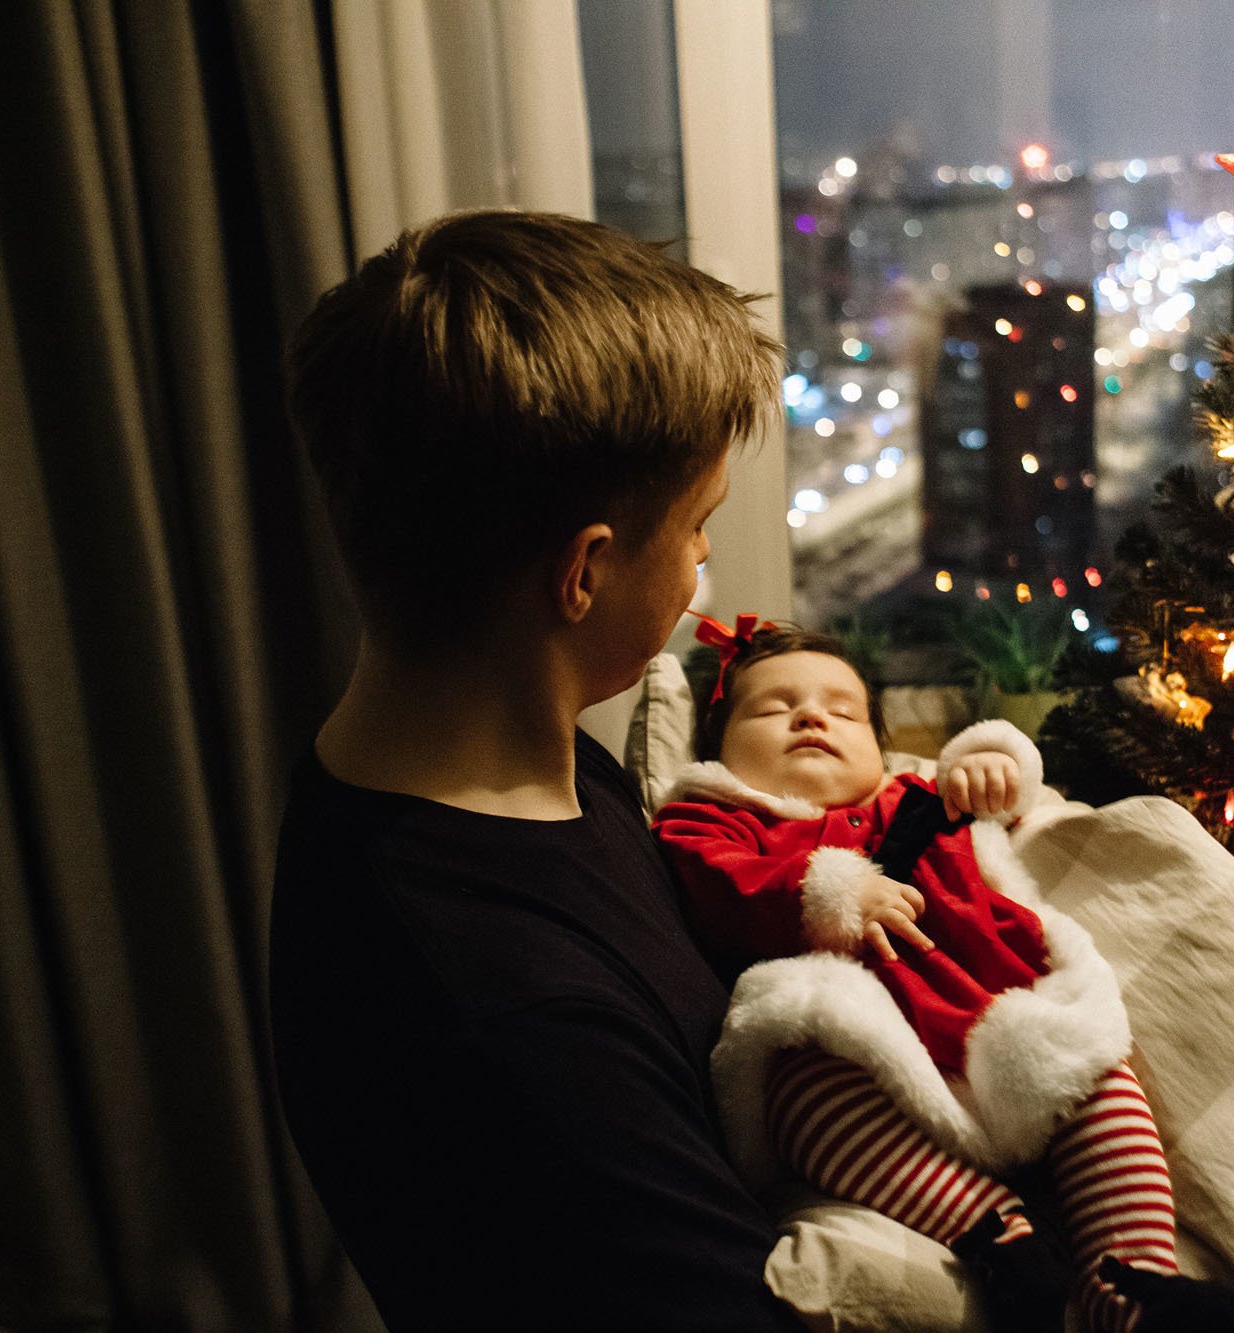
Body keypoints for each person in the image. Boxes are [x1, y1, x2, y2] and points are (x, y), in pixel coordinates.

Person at [267, 210, 807, 1331]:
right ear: (584, 574)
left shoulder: (539, 765)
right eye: (697, 523)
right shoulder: (514, 1025)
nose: (706, 556)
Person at [653, 624, 1234, 1333]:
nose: (812, 717)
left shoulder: (918, 794)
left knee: (1098, 1071)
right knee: (794, 1084)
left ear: (879, 743)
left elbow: (1014, 801)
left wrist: (989, 768)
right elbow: (718, 886)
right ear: (717, 747)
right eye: (774, 708)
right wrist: (832, 889)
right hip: (859, 1052)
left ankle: (1134, 1286)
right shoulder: (713, 819)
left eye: (843, 711)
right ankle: (998, 1233)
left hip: (997, 1020)